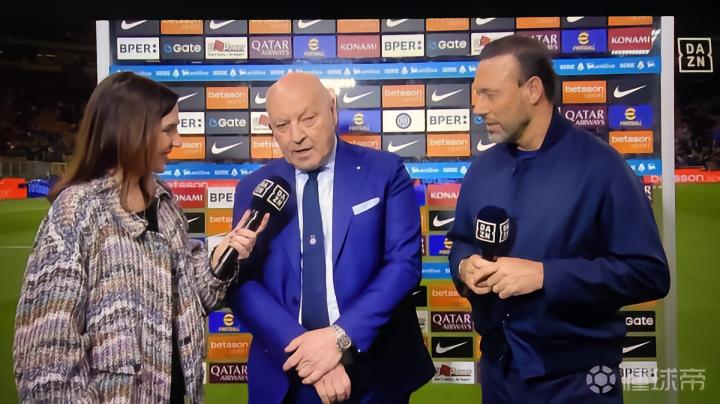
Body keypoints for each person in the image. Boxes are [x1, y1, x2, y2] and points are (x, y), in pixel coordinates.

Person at [12, 72, 268, 402]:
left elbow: (191, 301)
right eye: (168, 130)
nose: (178, 141)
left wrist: (221, 260)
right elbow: (45, 355)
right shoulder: (78, 211)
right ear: (132, 131)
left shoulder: (164, 203)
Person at [447, 35, 670, 403]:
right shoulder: (482, 169)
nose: (478, 108)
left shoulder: (603, 168)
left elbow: (648, 273)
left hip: (577, 381)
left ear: (533, 90)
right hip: (499, 373)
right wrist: (465, 267)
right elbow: (461, 243)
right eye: (476, 95)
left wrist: (544, 276)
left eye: (490, 95)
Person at [227, 72, 434, 404]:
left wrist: (339, 337)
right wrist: (307, 352)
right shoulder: (253, 188)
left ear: (333, 110)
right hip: (288, 372)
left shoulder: (385, 171)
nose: (296, 136)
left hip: (376, 372)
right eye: (282, 126)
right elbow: (241, 282)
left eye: (308, 119)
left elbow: (403, 265)